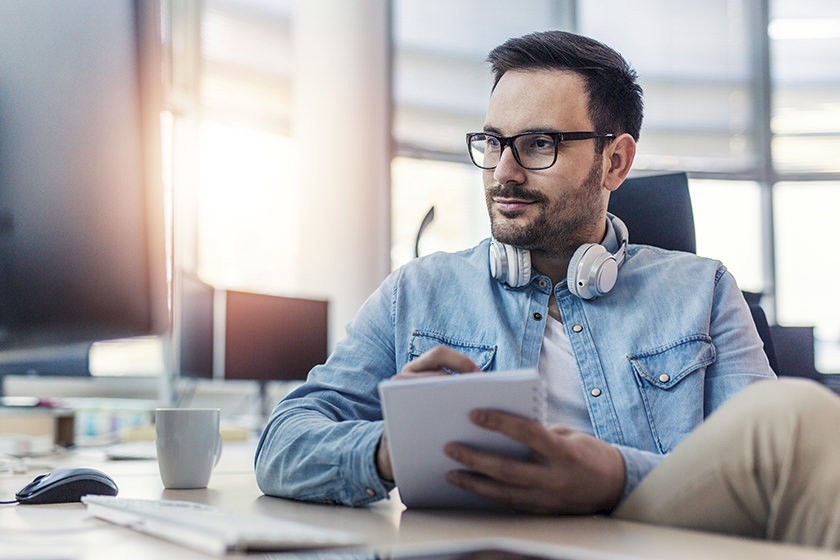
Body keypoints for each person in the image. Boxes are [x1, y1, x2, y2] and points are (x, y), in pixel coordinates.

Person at [255, 30, 840, 549]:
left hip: (647, 533)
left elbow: (758, 480)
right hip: (477, 546)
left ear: (614, 161)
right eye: (493, 143)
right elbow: (281, 445)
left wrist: (613, 476)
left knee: (799, 418)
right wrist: (394, 446)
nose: (504, 172)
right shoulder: (419, 292)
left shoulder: (701, 289)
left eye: (538, 144)